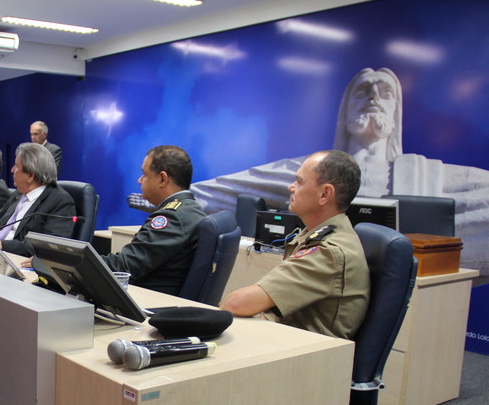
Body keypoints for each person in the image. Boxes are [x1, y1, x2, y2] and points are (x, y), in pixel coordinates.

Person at [189, 67, 489, 276]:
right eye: (363, 92)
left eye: (384, 93)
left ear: (327, 193)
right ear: (345, 111)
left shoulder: (428, 174)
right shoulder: (306, 168)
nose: (373, 97)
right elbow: (217, 191)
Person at [220, 150, 370, 340]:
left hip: (307, 352)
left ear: (325, 194)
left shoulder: (329, 252)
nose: (291, 187)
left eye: (299, 182)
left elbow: (237, 304)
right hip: (291, 340)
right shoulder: (315, 235)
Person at [103, 145, 207, 296]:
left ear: (162, 179)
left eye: (144, 174)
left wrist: (78, 260)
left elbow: (124, 267)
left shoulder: (171, 217)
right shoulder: (189, 209)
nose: (139, 180)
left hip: (147, 300)